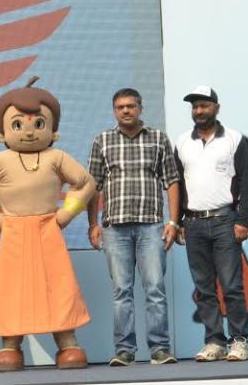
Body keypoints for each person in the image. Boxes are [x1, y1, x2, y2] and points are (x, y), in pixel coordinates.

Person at [0, 77, 95, 371]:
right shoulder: (1, 160)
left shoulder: (57, 157)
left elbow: (85, 183)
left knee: (58, 286)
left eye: (38, 124)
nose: (28, 131)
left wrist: (66, 214)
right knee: (12, 289)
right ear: (2, 133)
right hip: (13, 233)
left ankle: (67, 342)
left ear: (53, 130)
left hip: (49, 229)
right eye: (17, 124)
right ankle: (10, 346)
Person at [87, 88, 180, 366]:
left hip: (151, 225)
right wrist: (92, 224)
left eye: (130, 106)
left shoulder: (158, 138)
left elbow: (172, 181)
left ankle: (159, 349)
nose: (126, 111)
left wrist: (173, 222)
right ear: (114, 111)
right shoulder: (102, 140)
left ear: (140, 108)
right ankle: (124, 350)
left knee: (155, 289)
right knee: (121, 291)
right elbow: (93, 186)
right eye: (120, 107)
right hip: (114, 228)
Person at [175, 85, 248, 362]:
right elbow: (178, 186)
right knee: (204, 288)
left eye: (204, 105)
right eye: (195, 106)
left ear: (216, 108)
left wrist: (242, 220)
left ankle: (239, 341)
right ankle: (214, 342)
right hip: (193, 223)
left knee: (231, 285)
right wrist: (178, 221)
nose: (199, 111)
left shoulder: (234, 139)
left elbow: (246, 182)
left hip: (225, 221)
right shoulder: (182, 142)